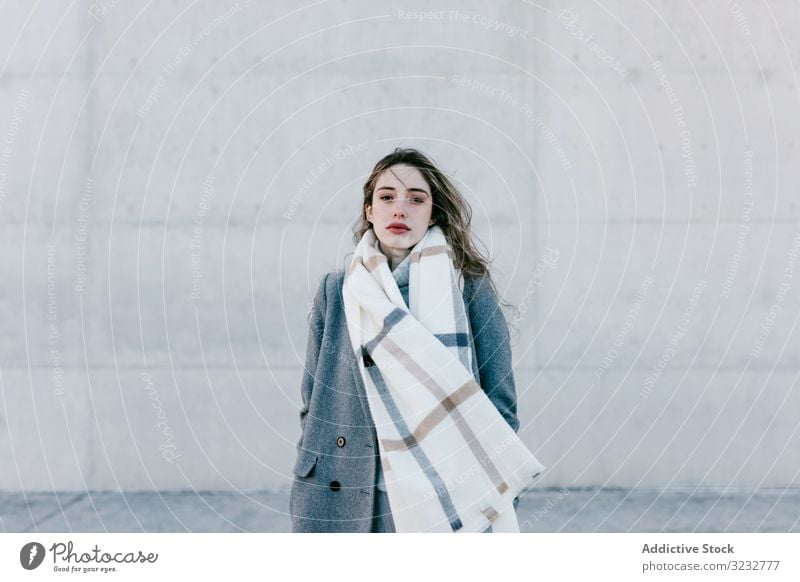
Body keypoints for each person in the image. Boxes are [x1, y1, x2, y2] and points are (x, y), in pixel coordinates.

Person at [289, 148, 543, 533]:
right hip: (347, 487)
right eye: (387, 197)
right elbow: (314, 399)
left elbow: (499, 399)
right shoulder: (337, 290)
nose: (400, 209)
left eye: (416, 199)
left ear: (433, 212)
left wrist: (493, 487)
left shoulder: (466, 285)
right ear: (369, 210)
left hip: (447, 489)